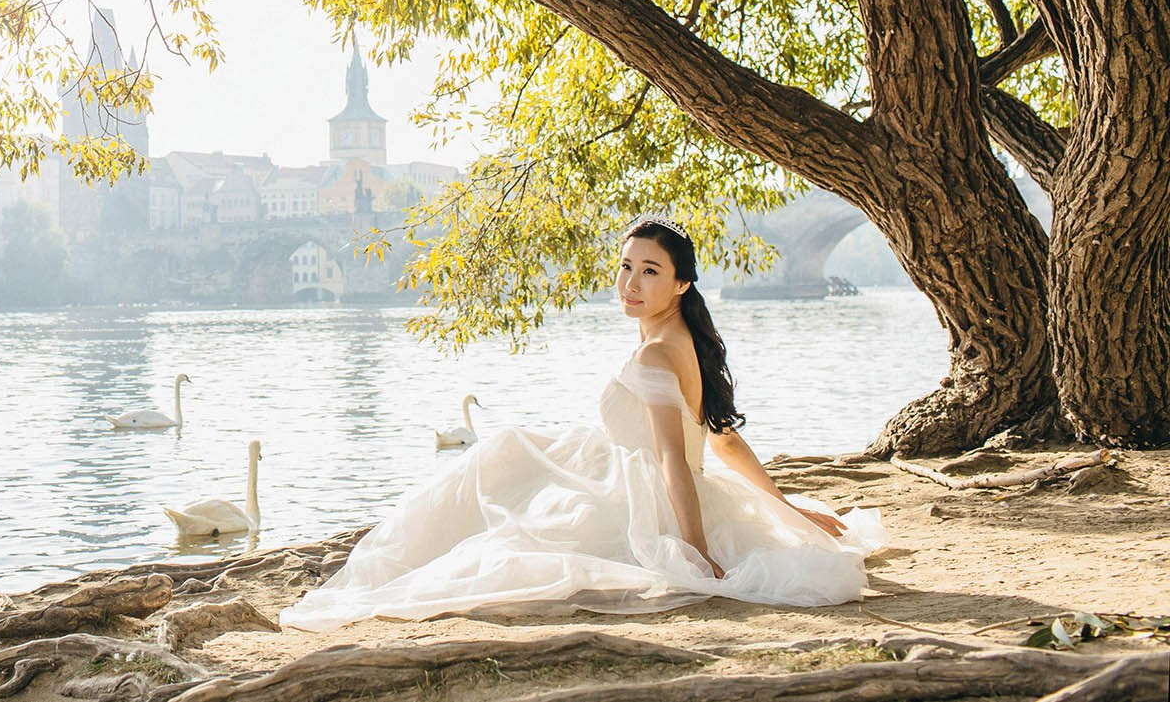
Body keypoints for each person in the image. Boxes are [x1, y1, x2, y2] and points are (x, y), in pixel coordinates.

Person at [280, 216, 886, 631]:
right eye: (626, 267)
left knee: (499, 492)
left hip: (642, 495)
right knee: (508, 465)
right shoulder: (685, 338)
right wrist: (788, 512)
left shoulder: (656, 351)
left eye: (650, 271)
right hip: (651, 479)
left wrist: (697, 553)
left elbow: (678, 457)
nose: (631, 283)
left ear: (681, 282)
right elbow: (723, 442)